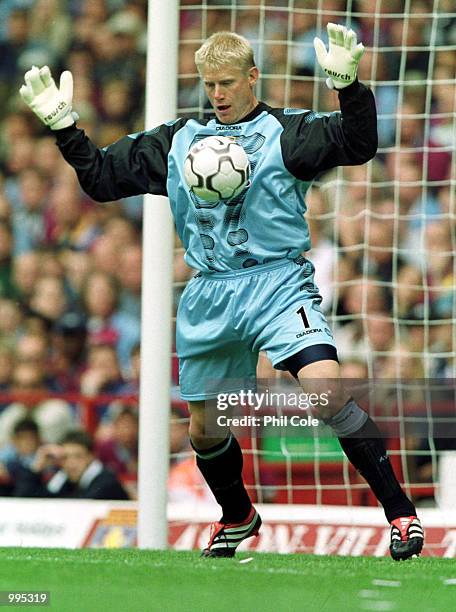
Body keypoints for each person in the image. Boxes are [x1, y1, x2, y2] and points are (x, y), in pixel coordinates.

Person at [20, 24, 423, 560]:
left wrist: (349, 87)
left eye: (229, 83)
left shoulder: (287, 133)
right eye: (209, 85)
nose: (219, 95)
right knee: (205, 433)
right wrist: (64, 126)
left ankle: (400, 514)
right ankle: (239, 516)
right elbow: (99, 179)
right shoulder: (178, 141)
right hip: (210, 294)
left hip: (278, 282)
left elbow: (358, 143)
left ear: (253, 76)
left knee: (325, 391)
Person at [12, 429, 129, 500]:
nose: (71, 463)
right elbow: (26, 499)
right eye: (65, 457)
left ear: (91, 456)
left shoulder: (106, 481)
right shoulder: (63, 479)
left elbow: (78, 507)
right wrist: (37, 466)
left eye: (77, 456)